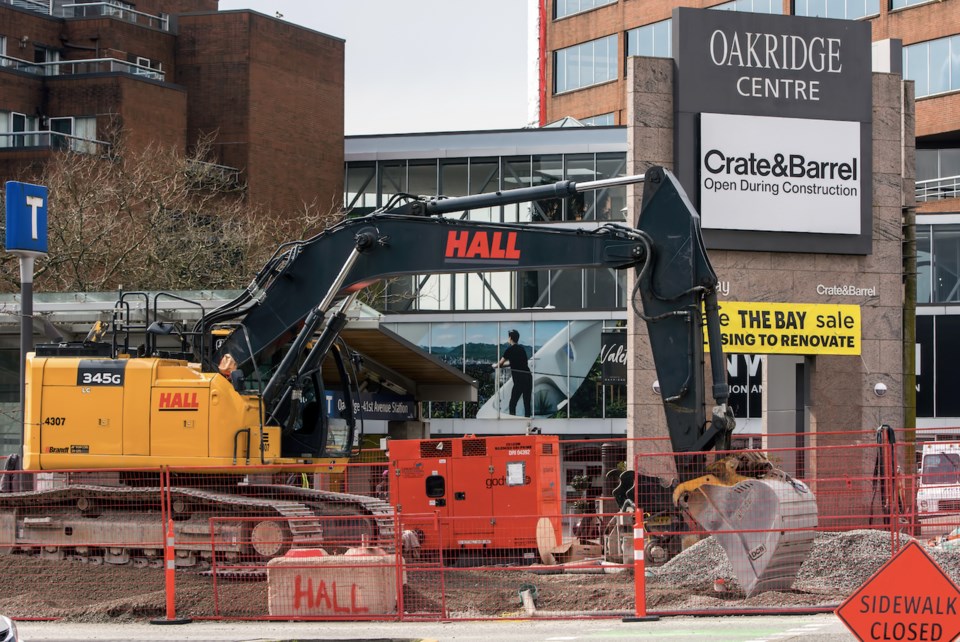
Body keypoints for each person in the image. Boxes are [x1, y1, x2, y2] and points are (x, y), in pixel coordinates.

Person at [494, 329, 532, 417]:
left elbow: (500, 364)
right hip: (528, 376)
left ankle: (513, 422)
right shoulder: (522, 349)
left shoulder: (509, 350)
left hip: (519, 379)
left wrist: (495, 366)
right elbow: (517, 362)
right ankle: (527, 421)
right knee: (527, 403)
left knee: (512, 403)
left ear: (510, 338)